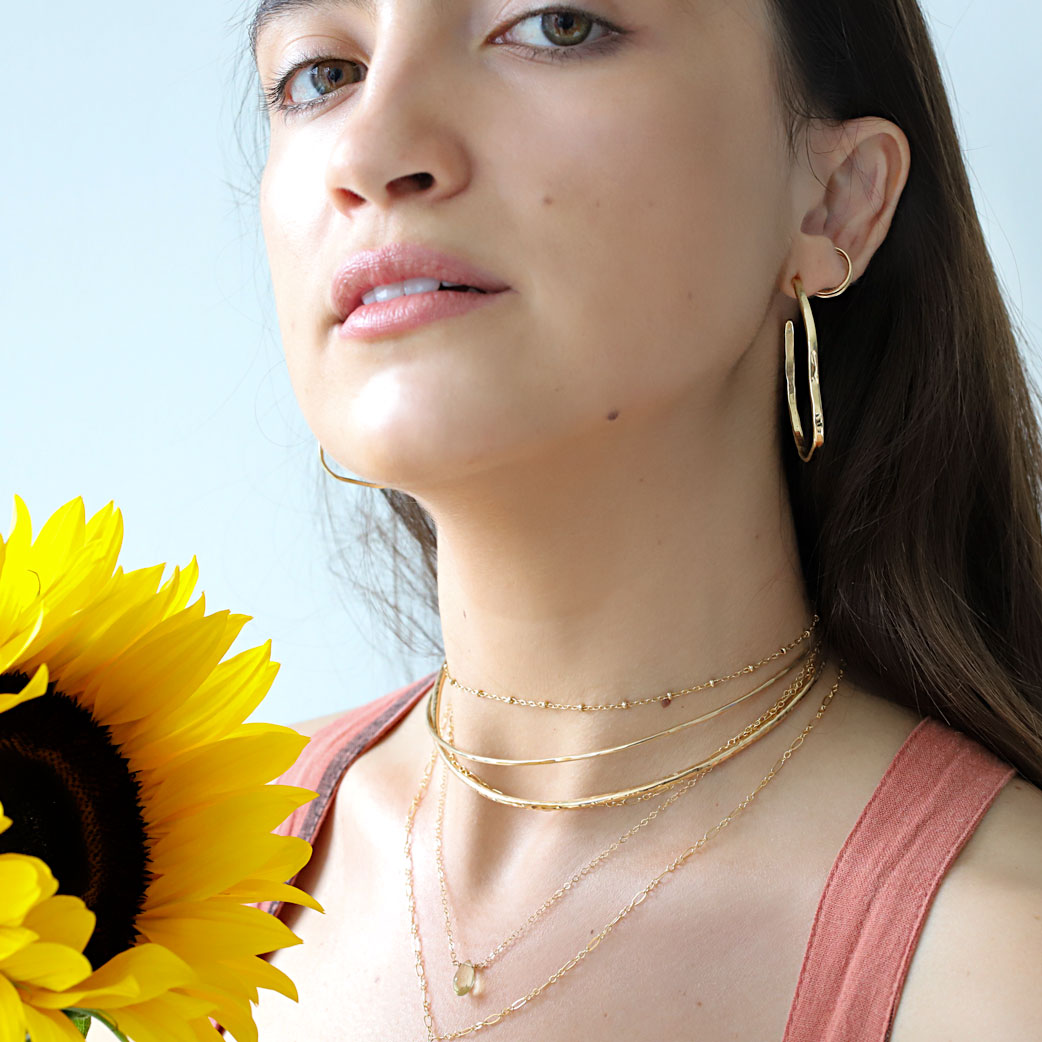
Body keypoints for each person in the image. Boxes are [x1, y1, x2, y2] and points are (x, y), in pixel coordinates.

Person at [245, 0, 1042, 1038]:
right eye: (321, 72)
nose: (372, 147)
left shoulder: (1002, 958)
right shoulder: (107, 874)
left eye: (558, 26)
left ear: (836, 203)